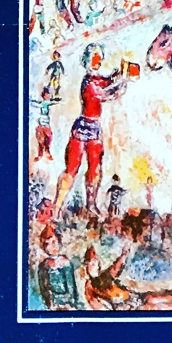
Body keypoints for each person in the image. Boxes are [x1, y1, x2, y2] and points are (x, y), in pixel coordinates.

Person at [53, 43, 127, 216]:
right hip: (83, 126)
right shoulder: (88, 82)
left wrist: (119, 75)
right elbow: (105, 94)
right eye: (95, 57)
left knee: (95, 168)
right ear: (87, 60)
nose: (98, 61)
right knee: (72, 167)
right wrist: (121, 82)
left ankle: (91, 204)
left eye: (99, 58)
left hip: (94, 127)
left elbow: (108, 82)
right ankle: (57, 207)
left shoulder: (97, 79)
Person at [36, 226, 82, 310]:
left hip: (67, 304)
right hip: (52, 305)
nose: (52, 246)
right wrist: (50, 304)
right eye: (48, 244)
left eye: (54, 242)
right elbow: (44, 289)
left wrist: (70, 304)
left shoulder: (66, 263)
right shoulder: (44, 266)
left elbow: (71, 287)